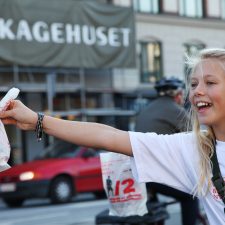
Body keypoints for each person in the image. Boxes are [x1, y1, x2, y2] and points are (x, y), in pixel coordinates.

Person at [0, 48, 225, 224]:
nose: (197, 91)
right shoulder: (194, 149)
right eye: (193, 84)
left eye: (210, 82)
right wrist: (37, 120)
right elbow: (108, 136)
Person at [135, 77, 199, 225]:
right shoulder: (177, 111)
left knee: (154, 206)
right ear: (178, 95)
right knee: (191, 196)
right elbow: (196, 141)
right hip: (155, 173)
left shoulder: (145, 110)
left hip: (139, 173)